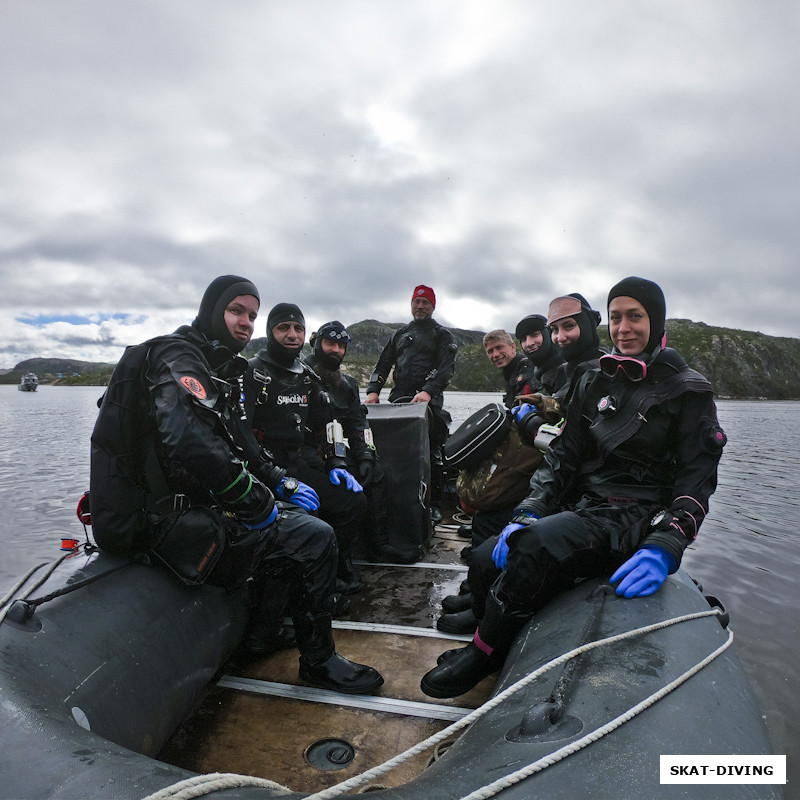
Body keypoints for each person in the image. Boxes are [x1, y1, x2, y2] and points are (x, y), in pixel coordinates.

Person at [422, 276, 726, 698]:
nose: (624, 329)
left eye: (635, 317)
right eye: (617, 317)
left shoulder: (689, 390)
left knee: (535, 545)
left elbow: (696, 484)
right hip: (589, 503)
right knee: (487, 550)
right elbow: (562, 458)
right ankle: (487, 618)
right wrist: (527, 512)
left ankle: (486, 651)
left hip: (636, 514)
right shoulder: (592, 378)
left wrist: (667, 545)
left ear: (655, 321)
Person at [90, 275, 383, 695]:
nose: (245, 322)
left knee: (296, 520)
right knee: (315, 538)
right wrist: (254, 501)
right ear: (212, 310)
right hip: (157, 519)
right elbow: (191, 441)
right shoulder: (179, 355)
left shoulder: (215, 364)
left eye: (251, 314)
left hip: (186, 503)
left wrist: (278, 481)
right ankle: (319, 661)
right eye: (236, 311)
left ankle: (262, 635)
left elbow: (236, 439)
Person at [244, 303, 368, 595]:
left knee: (352, 501)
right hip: (261, 470)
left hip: (297, 464)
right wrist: (272, 475)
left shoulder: (307, 378)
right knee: (304, 518)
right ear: (270, 331)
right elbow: (239, 433)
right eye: (283, 328)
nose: (292, 335)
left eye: (298, 328)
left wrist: (337, 462)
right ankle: (304, 585)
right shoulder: (252, 373)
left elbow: (329, 425)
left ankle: (337, 563)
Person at [303, 320, 397, 563]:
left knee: (375, 473)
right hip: (309, 453)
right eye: (330, 343)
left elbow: (357, 423)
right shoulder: (299, 377)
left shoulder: (348, 385)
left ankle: (377, 545)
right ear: (316, 344)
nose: (336, 350)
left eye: (341, 346)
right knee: (343, 489)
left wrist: (366, 455)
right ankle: (341, 558)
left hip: (338, 450)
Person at [365, 285, 458, 523]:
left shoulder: (442, 335)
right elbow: (383, 363)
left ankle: (434, 503)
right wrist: (373, 391)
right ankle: (393, 499)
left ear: (433, 306)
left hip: (429, 403)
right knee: (392, 451)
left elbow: (446, 369)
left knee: (432, 452)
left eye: (425, 302)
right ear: (411, 304)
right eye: (417, 302)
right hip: (399, 400)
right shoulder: (399, 334)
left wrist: (428, 391)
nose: (420, 306)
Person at [482, 329, 536, 409]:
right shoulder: (509, 373)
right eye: (490, 351)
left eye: (499, 347)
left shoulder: (527, 369)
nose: (495, 355)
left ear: (513, 347)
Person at [513, 314, 564, 396]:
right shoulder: (528, 373)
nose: (529, 343)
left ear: (548, 334)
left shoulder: (566, 371)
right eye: (523, 339)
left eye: (534, 335)